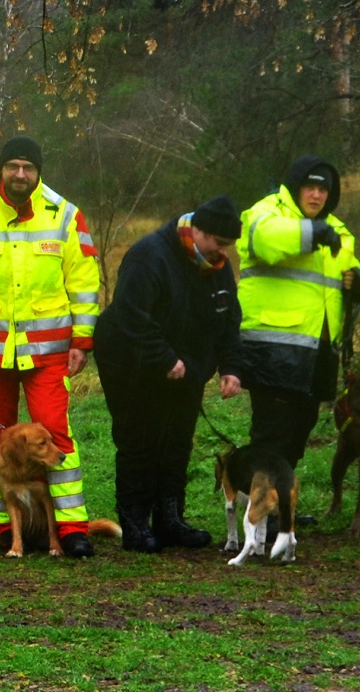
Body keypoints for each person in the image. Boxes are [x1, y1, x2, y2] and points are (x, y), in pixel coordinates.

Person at [0, 135, 99, 557]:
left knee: (55, 435)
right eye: (13, 166)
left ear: (38, 170)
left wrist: (82, 338)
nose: (21, 174)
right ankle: (5, 530)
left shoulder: (65, 215)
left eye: (28, 167)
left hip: (47, 352)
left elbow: (83, 281)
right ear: (1, 169)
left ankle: (70, 529)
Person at [94, 195, 244, 552]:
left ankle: (170, 519)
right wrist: (164, 358)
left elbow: (228, 319)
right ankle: (134, 524)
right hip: (129, 359)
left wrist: (231, 367)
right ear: (197, 230)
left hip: (185, 367)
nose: (223, 253)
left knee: (177, 441)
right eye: (219, 244)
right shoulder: (149, 256)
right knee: (139, 440)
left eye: (229, 247)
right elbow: (133, 316)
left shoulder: (217, 263)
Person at [235, 155, 360, 475]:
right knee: (272, 434)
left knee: (299, 430)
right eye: (310, 187)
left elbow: (348, 278)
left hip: (318, 351)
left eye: (324, 190)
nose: (316, 196)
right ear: (294, 187)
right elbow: (265, 240)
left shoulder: (337, 229)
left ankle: (280, 505)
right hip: (272, 348)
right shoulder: (265, 212)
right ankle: (263, 515)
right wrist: (312, 233)